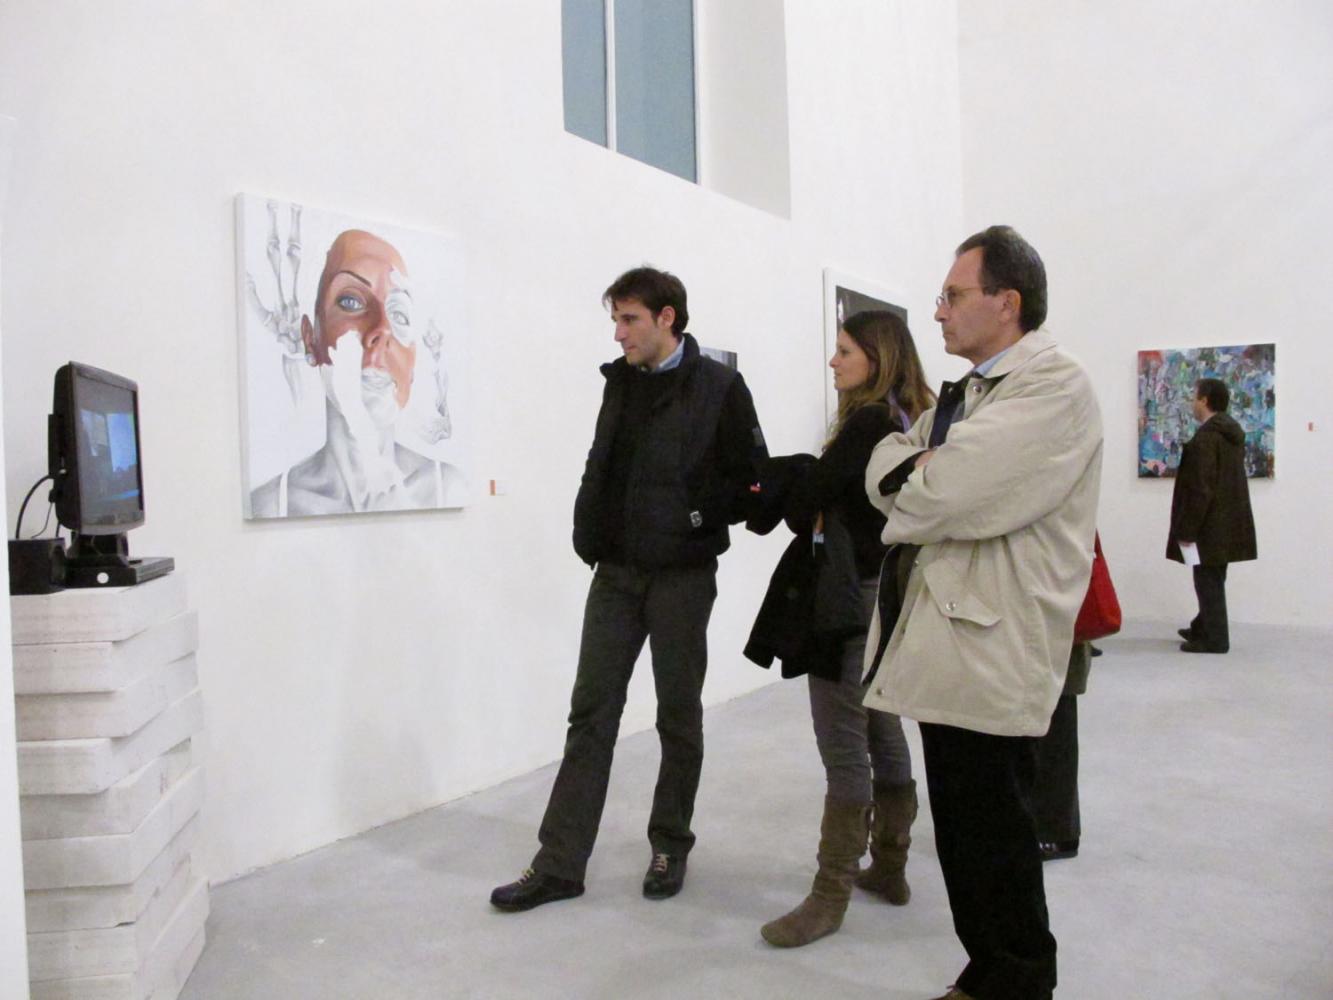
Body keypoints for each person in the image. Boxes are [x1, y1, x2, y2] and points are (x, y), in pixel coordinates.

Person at [861, 226, 1103, 1000]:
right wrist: (921, 469)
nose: (938, 311)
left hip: (996, 642)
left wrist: (925, 474)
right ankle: (986, 973)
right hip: (950, 637)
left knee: (995, 834)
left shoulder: (1052, 387)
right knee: (964, 832)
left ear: (1007, 302)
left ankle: (1019, 981)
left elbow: (941, 493)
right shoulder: (968, 394)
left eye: (952, 295)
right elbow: (884, 467)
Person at [490, 266, 767, 911]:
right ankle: (560, 863)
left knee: (677, 714)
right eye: (615, 320)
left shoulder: (720, 387)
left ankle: (670, 843)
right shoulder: (620, 383)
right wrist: (588, 531)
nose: (619, 333)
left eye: (629, 319)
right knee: (591, 714)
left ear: (667, 317)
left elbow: (751, 478)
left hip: (683, 576)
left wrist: (697, 516)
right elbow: (601, 463)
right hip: (616, 573)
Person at [744, 311, 934, 948]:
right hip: (881, 593)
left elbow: (805, 505)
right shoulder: (905, 420)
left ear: (877, 358)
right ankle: (890, 866)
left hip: (847, 599)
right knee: (880, 725)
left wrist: (804, 482)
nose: (833, 361)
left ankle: (830, 896)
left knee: (844, 744)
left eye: (845, 351)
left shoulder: (869, 423)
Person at [249, 229, 464, 517]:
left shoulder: (447, 487)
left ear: (413, 363)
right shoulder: (270, 505)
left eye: (400, 315)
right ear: (311, 339)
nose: (381, 330)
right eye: (351, 302)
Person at [1166, 378, 1257, 653]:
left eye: (1194, 397)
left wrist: (1187, 529)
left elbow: (1200, 489)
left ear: (1204, 400)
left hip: (1209, 524)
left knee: (1207, 579)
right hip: (1226, 522)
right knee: (1213, 577)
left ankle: (1215, 639)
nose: (1192, 402)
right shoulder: (1230, 435)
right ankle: (1202, 626)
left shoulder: (1207, 438)